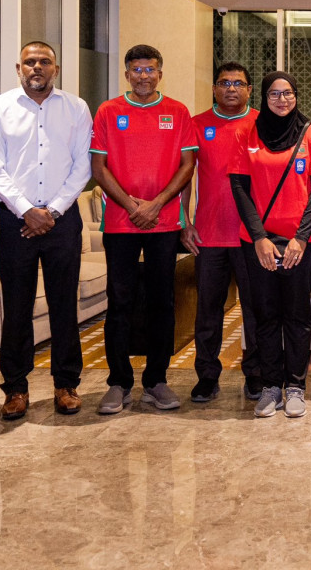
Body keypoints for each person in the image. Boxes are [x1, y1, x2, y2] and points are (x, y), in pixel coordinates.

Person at [0, 41, 93, 420]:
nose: (37, 67)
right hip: (17, 222)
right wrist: (27, 211)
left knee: (64, 305)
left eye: (45, 61)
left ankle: (66, 384)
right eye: (30, 62)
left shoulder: (76, 108)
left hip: (63, 221)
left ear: (55, 69)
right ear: (19, 68)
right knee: (16, 308)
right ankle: (15, 388)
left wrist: (53, 211)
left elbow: (83, 165)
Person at [90, 45, 196, 415]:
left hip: (164, 222)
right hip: (121, 223)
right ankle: (118, 383)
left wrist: (156, 204)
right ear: (127, 74)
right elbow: (99, 168)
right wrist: (132, 205)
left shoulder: (177, 112)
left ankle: (156, 380)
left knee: (161, 302)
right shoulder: (108, 111)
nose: (143, 76)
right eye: (136, 70)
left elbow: (187, 165)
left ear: (160, 73)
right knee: (119, 302)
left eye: (150, 69)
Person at [230, 72, 311, 418]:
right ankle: (271, 386)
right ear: (263, 97)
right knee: (265, 315)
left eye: (288, 93)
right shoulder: (246, 132)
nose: (282, 100)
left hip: (301, 243)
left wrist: (300, 239)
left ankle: (295, 386)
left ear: (296, 96)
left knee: (296, 314)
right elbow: (239, 187)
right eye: (274, 94)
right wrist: (259, 238)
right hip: (259, 241)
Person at [183, 62, 261, 402]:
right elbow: (185, 175)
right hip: (209, 234)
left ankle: (255, 373)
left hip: (252, 236)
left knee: (256, 310)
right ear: (214, 88)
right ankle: (206, 375)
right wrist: (185, 222)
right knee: (208, 312)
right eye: (224, 83)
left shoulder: (262, 123)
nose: (231, 88)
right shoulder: (197, 124)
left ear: (249, 90)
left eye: (238, 83)